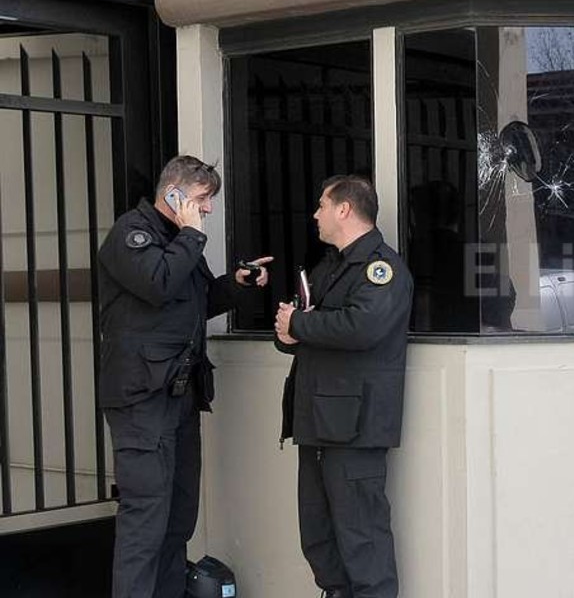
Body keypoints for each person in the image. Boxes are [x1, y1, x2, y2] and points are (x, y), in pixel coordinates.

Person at [97, 155, 271, 598]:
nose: (208, 208)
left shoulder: (180, 242)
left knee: (178, 516)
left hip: (180, 394)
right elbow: (157, 284)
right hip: (141, 399)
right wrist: (192, 236)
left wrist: (237, 284)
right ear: (173, 194)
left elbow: (196, 301)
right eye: (202, 198)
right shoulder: (132, 234)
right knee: (145, 519)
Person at [274, 175, 413, 598]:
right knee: (318, 535)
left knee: (362, 538)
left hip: (354, 427)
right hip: (317, 421)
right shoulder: (329, 265)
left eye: (321, 205)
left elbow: (362, 326)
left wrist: (299, 325)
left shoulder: (381, 268)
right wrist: (288, 330)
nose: (315, 214)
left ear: (344, 209)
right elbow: (300, 325)